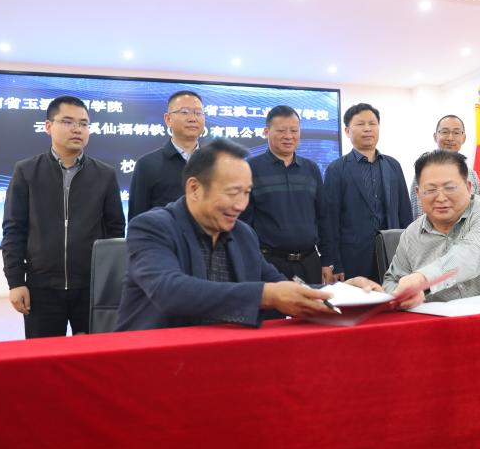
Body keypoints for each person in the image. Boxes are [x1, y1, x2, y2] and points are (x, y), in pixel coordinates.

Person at [116, 138, 380, 331]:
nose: (241, 205)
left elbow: (282, 286)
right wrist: (268, 295)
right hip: (153, 359)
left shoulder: (243, 234)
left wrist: (341, 292)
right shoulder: (151, 228)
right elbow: (170, 291)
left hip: (224, 355)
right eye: (233, 192)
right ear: (195, 188)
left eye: (246, 193)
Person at [2, 96, 126, 338]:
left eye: (84, 123)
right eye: (68, 122)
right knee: (44, 357)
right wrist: (15, 281)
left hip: (91, 288)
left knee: (95, 354)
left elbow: (115, 231)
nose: (77, 129)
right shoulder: (27, 171)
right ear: (48, 126)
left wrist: (110, 282)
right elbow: (14, 229)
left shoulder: (105, 175)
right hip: (42, 287)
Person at [383, 149, 480, 310]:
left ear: (468, 187)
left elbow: (470, 255)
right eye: (431, 190)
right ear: (418, 193)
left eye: (450, 188)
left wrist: (423, 280)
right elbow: (392, 281)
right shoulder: (411, 234)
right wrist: (401, 295)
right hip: (441, 322)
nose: (441, 198)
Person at [240, 105, 334, 284]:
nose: (289, 136)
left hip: (309, 262)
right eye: (281, 130)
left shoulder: (311, 168)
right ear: (266, 132)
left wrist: (327, 261)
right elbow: (244, 222)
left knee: (313, 303)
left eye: (294, 130)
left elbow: (323, 217)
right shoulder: (250, 169)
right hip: (268, 263)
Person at [323, 103, 413, 282]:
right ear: (347, 131)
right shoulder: (337, 169)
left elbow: (405, 213)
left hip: (392, 254)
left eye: (372, 123)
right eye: (360, 124)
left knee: (393, 298)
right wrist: (334, 262)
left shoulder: (393, 165)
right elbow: (329, 220)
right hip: (352, 258)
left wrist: (410, 254)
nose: (367, 129)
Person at [127, 90, 205, 220]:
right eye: (184, 112)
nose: (193, 118)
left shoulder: (214, 163)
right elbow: (137, 218)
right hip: (162, 233)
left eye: (198, 113)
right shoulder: (147, 164)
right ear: (168, 119)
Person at [409, 115, 480, 218]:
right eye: (445, 132)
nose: (450, 138)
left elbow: (479, 211)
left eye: (456, 133)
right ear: (435, 136)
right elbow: (418, 215)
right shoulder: (424, 171)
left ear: (464, 138)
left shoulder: (472, 174)